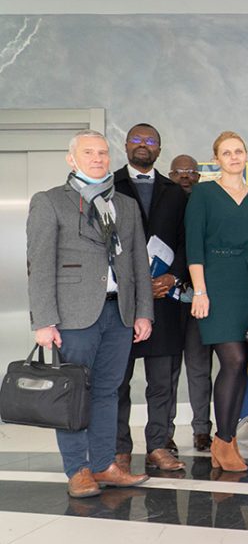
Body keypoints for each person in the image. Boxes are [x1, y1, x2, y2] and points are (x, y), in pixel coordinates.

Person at [27, 129, 153, 498]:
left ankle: (103, 464)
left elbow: (138, 265)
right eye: (89, 153)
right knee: (72, 396)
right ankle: (77, 470)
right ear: (72, 159)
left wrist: (144, 312)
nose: (98, 158)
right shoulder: (50, 201)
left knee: (107, 391)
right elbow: (39, 263)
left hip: (119, 314)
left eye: (102, 153)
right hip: (73, 316)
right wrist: (43, 321)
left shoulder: (126, 205)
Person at [185, 131, 248, 472]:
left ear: (246, 156)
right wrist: (200, 291)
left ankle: (227, 442)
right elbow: (195, 246)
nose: (234, 157)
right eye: (227, 152)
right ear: (217, 159)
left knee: (241, 364)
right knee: (234, 361)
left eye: (239, 151)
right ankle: (222, 440)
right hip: (217, 284)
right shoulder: (204, 194)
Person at [111, 123, 188, 472]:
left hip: (165, 299)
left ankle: (158, 444)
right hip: (121, 302)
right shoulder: (109, 186)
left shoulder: (176, 192)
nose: (143, 146)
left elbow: (189, 241)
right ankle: (118, 449)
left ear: (159, 149)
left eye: (150, 141)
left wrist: (175, 275)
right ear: (126, 145)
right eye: (137, 140)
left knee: (162, 381)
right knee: (116, 382)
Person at [165, 153, 215, 452]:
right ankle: (165, 433)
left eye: (191, 172)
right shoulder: (163, 204)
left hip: (199, 299)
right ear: (170, 175)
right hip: (168, 302)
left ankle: (201, 431)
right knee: (167, 371)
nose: (185, 176)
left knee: (199, 369)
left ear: (199, 176)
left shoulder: (207, 204)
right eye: (179, 171)